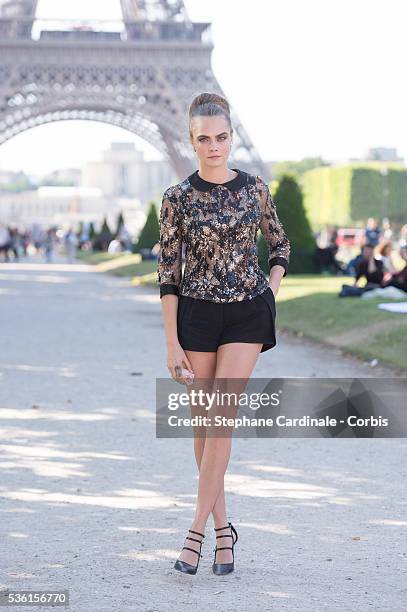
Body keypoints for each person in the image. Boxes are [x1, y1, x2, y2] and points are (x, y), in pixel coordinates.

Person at [157, 92, 290, 576]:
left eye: (221, 137)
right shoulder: (176, 199)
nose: (214, 146)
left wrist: (269, 290)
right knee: (202, 426)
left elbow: (280, 243)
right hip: (196, 316)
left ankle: (194, 531)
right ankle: (223, 530)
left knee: (220, 419)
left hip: (245, 316)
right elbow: (168, 273)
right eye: (203, 139)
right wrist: (171, 342)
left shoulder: (255, 189)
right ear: (191, 142)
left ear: (231, 137)